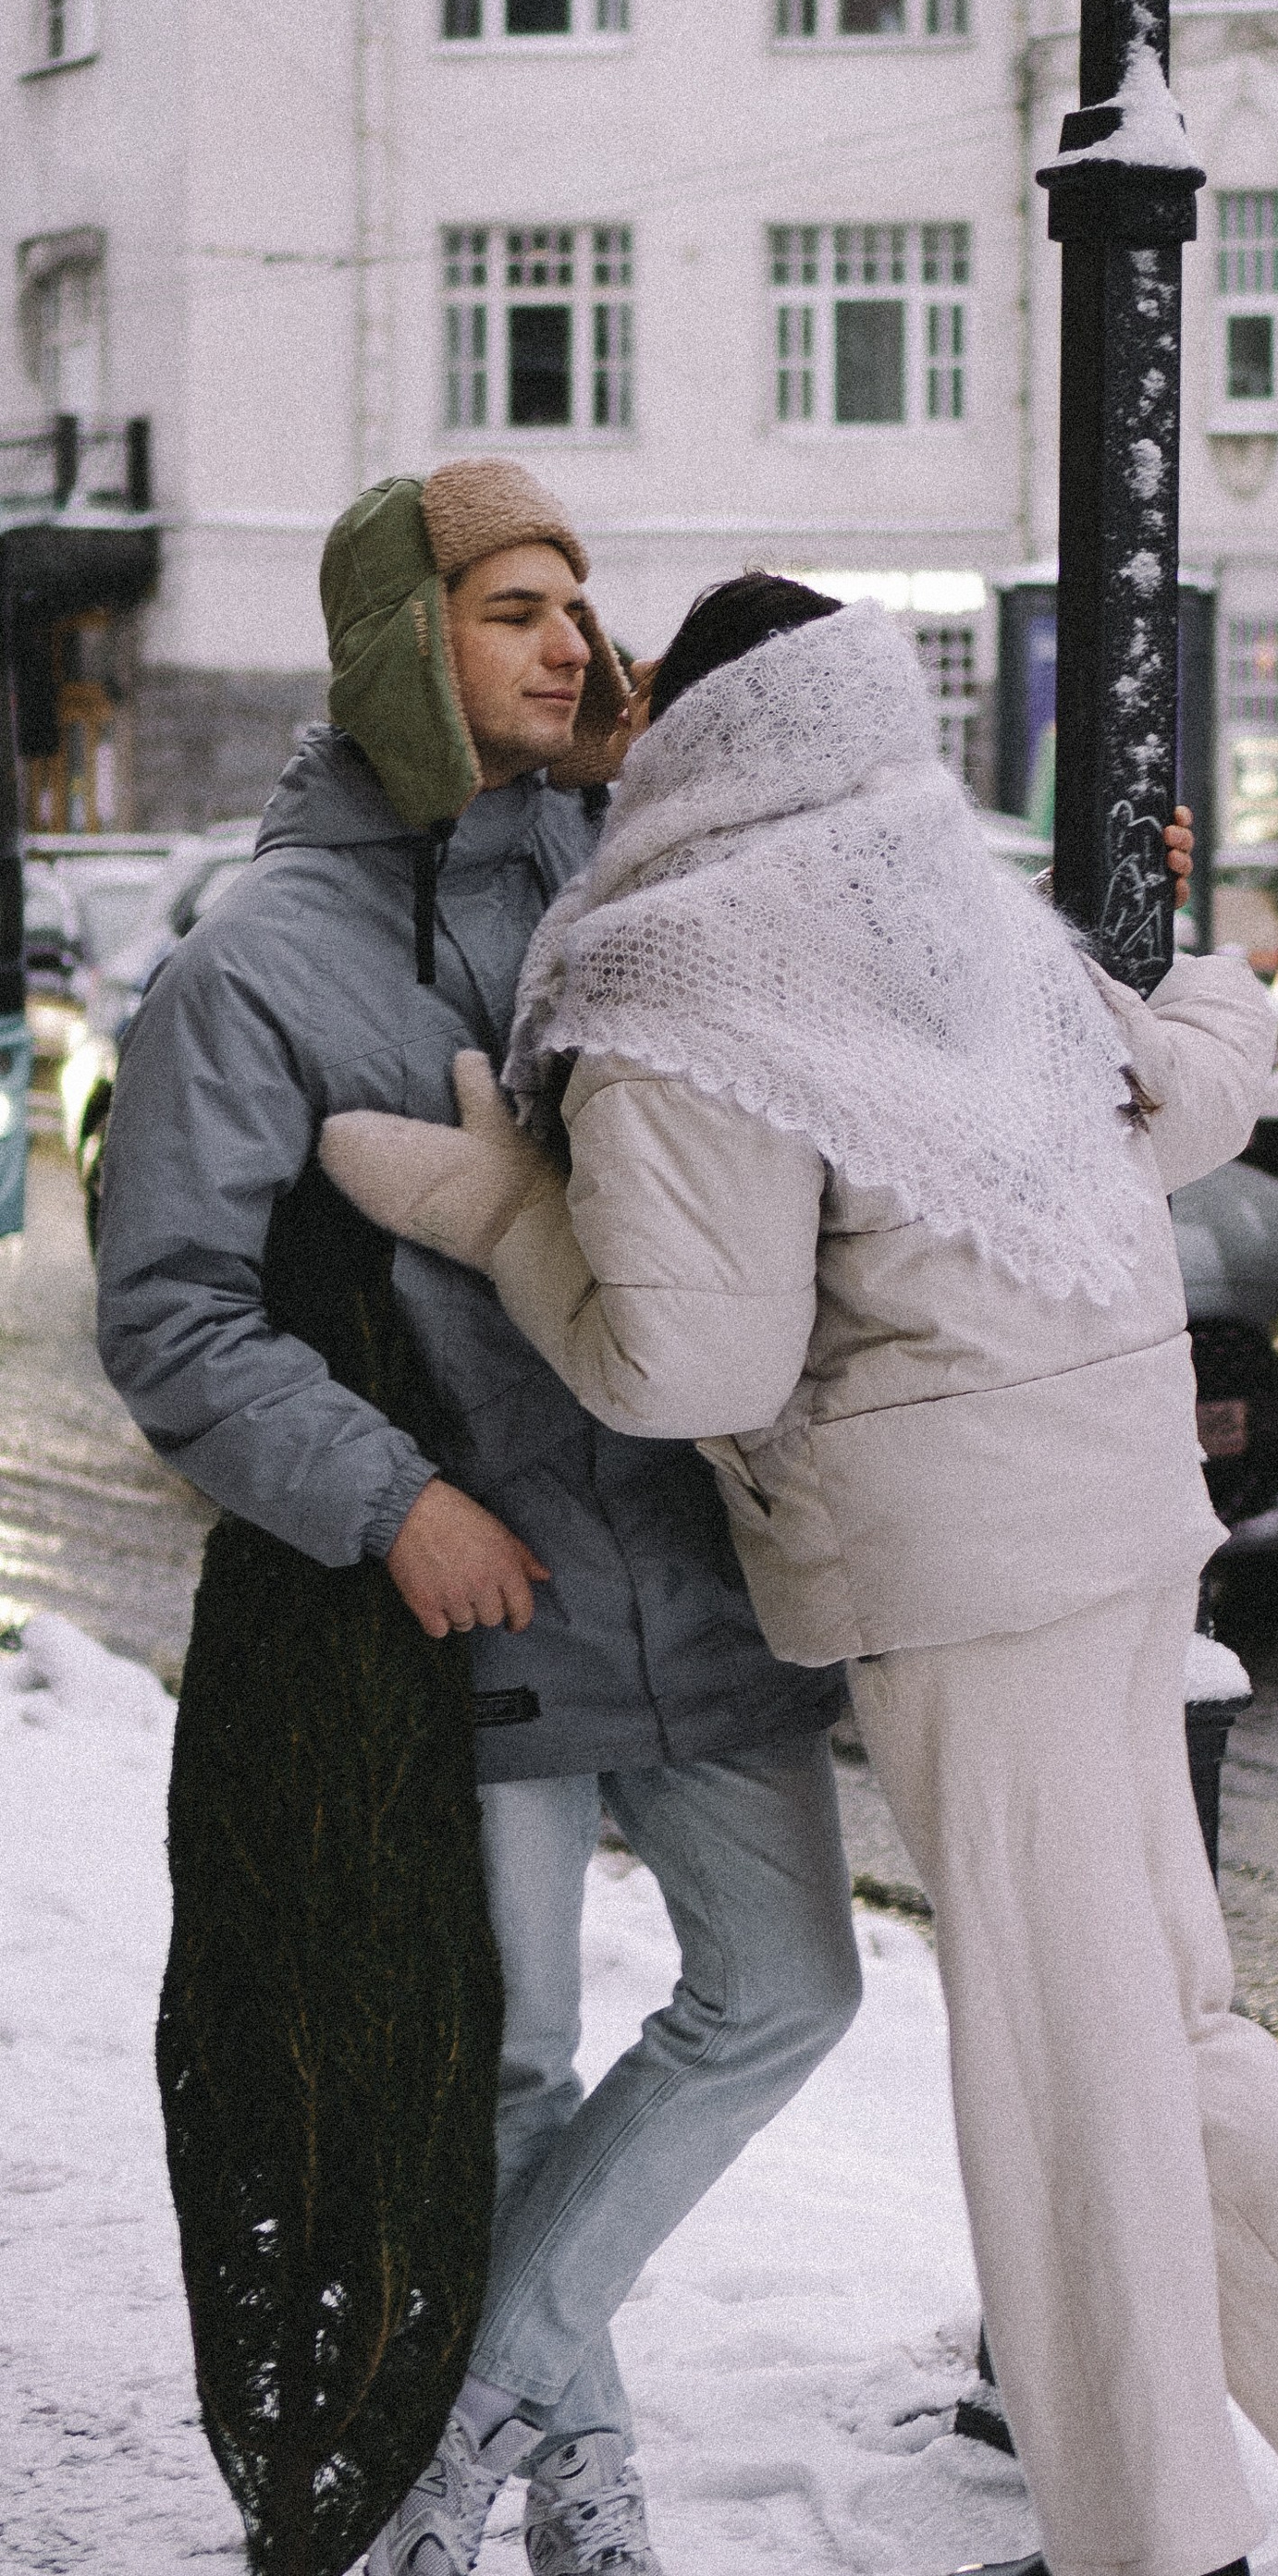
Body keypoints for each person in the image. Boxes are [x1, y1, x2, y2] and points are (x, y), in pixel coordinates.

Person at [321, 575, 1278, 2576]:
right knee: (1155, 2025)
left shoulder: (682, 970)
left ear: (695, 738)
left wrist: (510, 1216)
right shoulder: (944, 903)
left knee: (1065, 2077)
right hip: (1122, 1516)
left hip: (965, 1560)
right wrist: (1225, 973)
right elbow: (1172, 1095)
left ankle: (1154, 2549)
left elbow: (683, 1357)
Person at [95, 467, 866, 2576]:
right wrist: (394, 1501)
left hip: (693, 1570)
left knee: (791, 1989)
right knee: (513, 2053)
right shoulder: (256, 960)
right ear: (395, 650)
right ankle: (571, 2477)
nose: (566, 639)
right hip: (484, 1593)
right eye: (511, 606)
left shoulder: (627, 882)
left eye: (577, 604)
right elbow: (169, 1311)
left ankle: (475, 2406)